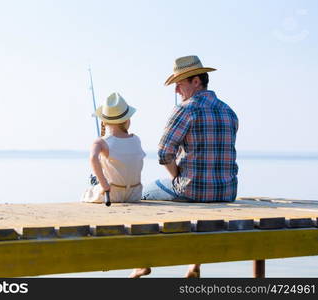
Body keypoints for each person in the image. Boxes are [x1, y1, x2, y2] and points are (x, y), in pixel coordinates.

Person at [131, 55, 239, 278]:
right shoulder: (229, 111)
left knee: (141, 194)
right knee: (197, 208)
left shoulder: (187, 109)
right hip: (226, 191)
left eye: (179, 84)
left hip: (192, 189)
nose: (177, 91)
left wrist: (176, 176)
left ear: (196, 81)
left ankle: (142, 261)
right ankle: (194, 264)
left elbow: (164, 154)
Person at [81, 92, 146, 203]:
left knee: (87, 192)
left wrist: (104, 185)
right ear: (127, 120)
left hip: (112, 194)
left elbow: (93, 158)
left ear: (104, 122)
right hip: (134, 194)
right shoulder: (136, 140)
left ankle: (99, 184)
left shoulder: (101, 142)